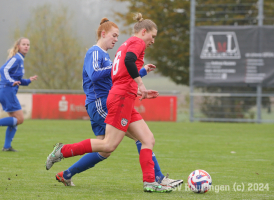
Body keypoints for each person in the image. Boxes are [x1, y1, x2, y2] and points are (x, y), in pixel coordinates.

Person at [46, 14, 182, 192]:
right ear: (144, 31)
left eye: (118, 36)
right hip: (104, 101)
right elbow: (102, 72)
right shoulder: (100, 51)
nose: (117, 39)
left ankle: (68, 173)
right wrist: (140, 83)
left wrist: (140, 76)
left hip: (117, 97)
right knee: (111, 144)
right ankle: (63, 151)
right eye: (114, 35)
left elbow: (119, 75)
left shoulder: (119, 50)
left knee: (138, 141)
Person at [0, 37, 37, 152]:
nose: (26, 46)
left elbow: (17, 79)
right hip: (7, 90)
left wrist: (28, 81)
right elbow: (3, 70)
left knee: (14, 119)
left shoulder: (20, 59)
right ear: (18, 46)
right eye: (24, 44)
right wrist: (12, 82)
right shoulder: (17, 58)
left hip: (5, 91)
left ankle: (7, 146)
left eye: (28, 44)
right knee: (20, 119)